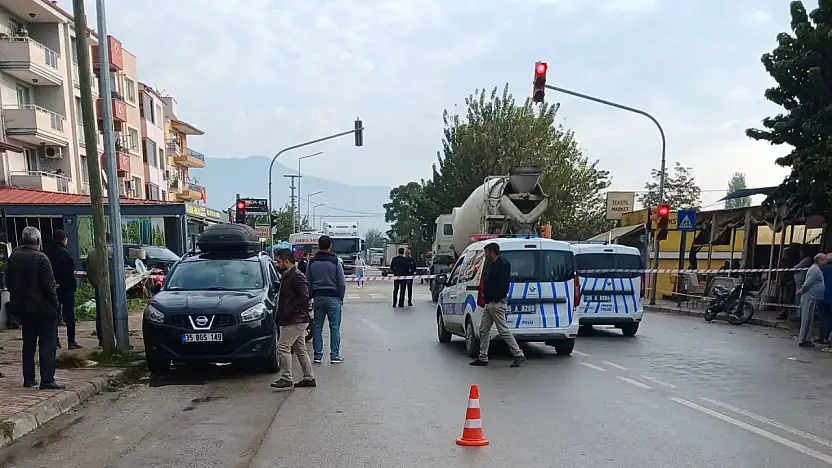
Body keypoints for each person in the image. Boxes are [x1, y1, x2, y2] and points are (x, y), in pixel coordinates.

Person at [6, 227, 65, 389]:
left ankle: (29, 378)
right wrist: (55, 304)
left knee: (29, 343)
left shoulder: (14, 257)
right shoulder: (41, 258)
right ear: (38, 242)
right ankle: (47, 379)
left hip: (24, 309)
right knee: (47, 344)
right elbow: (49, 286)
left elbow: (9, 282)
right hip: (43, 308)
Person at [470, 242, 525, 368]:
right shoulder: (493, 265)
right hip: (490, 304)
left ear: (492, 252)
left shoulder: (502, 265)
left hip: (497, 303)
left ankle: (518, 354)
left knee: (503, 330)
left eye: (486, 252)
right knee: (483, 330)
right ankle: (483, 357)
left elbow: (503, 285)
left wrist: (495, 298)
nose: (485, 255)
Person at [270, 248, 316, 390]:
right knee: (300, 349)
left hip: (294, 319)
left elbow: (304, 296)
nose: (277, 265)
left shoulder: (296, 276)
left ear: (287, 261)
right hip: (296, 318)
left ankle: (286, 378)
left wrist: (290, 311)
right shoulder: (289, 274)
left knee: (283, 347)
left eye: (279, 262)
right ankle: (309, 377)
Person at [306, 235, 346, 363]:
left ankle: (318, 356)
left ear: (318, 246)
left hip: (318, 297)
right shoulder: (335, 261)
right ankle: (334, 355)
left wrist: (311, 295)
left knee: (317, 326)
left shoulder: (312, 262)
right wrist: (341, 297)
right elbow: (341, 283)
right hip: (333, 297)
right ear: (330, 246)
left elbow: (308, 281)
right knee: (334, 326)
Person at [48, 230, 81, 350]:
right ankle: (71, 341)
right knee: (69, 316)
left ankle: (55, 341)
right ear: (63, 239)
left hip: (53, 288)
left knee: (54, 316)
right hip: (66, 289)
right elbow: (69, 273)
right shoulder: (66, 254)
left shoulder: (48, 253)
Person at [86, 233, 113, 347]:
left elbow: (88, 271)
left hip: (98, 286)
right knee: (114, 312)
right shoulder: (112, 252)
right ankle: (115, 336)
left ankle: (101, 338)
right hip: (112, 287)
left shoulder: (91, 254)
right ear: (109, 241)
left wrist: (95, 283)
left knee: (100, 313)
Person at [796, 252, 826, 347]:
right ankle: (803, 340)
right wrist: (801, 290)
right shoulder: (815, 270)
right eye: (824, 259)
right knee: (806, 318)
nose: (826, 261)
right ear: (819, 260)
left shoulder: (816, 269)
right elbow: (808, 283)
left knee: (809, 318)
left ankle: (806, 338)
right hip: (809, 296)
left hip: (812, 297)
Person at [818, 253, 832, 345]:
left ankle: (822, 337)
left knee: (823, 316)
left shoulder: (822, 269)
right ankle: (828, 336)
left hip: (823, 295)